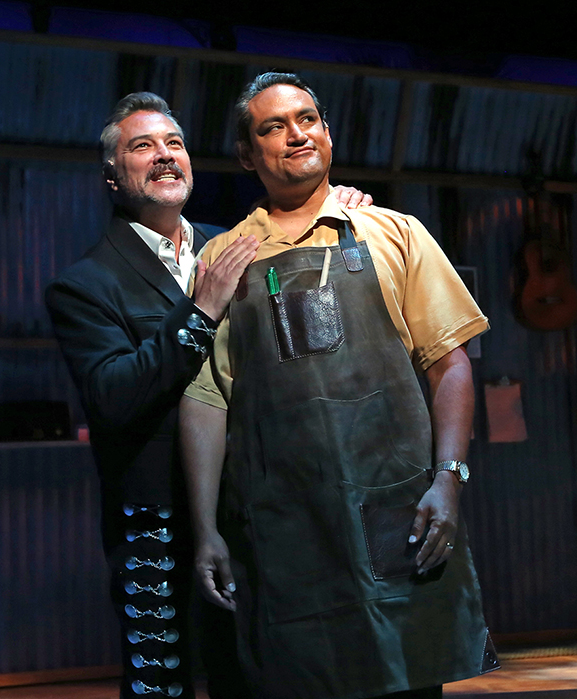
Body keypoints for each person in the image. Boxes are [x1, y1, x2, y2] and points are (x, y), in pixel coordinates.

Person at [179, 72, 495, 699]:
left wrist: (448, 479)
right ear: (247, 154)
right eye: (273, 126)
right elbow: (206, 397)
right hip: (282, 527)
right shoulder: (222, 258)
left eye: (307, 119)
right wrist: (205, 527)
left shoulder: (393, 232)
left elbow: (450, 363)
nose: (296, 135)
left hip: (397, 514)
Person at [45, 92, 370, 699]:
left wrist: (340, 207)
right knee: (159, 682)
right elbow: (114, 397)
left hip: (258, 505)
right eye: (142, 146)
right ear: (112, 177)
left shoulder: (237, 243)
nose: (165, 156)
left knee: (258, 674)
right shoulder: (84, 284)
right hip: (156, 520)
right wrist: (199, 310)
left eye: (174, 143)